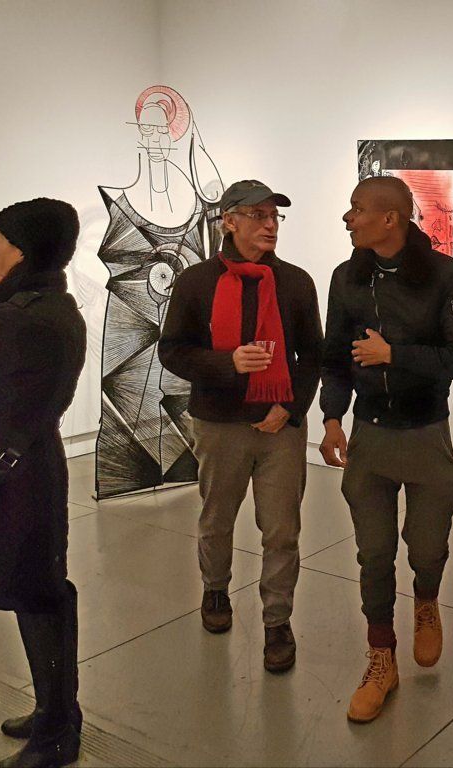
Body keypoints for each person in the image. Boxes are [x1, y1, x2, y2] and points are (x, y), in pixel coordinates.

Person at [319, 176, 453, 723]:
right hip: (370, 435)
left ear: (390, 219)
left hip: (426, 433)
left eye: (357, 209)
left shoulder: (444, 275)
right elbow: (336, 357)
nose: (348, 218)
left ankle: (427, 601)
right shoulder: (346, 277)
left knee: (428, 546)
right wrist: (332, 418)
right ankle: (381, 657)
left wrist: (395, 355)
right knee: (374, 553)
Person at [158, 179, 324, 673]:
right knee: (217, 519)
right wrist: (226, 363)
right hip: (219, 422)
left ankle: (277, 621)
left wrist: (290, 406)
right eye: (258, 215)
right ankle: (215, 590)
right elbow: (173, 351)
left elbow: (313, 356)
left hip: (280, 427)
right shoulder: (196, 282)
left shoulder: (295, 282)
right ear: (228, 221)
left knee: (282, 530)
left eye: (275, 216)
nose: (270, 225)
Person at [0, 198, 87, 768]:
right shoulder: (46, 306)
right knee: (39, 595)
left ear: (24, 252)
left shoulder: (22, 318)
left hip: (15, 482)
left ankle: (56, 736)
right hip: (25, 468)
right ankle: (56, 714)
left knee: (39, 597)